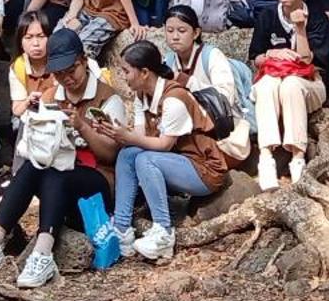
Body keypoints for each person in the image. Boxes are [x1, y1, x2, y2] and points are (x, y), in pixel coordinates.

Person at [0, 27, 122, 288]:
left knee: (55, 172)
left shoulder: (107, 97)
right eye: (59, 74)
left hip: (96, 182)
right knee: (34, 168)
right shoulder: (51, 96)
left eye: (72, 70)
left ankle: (43, 250)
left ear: (83, 61)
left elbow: (110, 153)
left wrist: (81, 126)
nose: (67, 79)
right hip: (56, 176)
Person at [94, 40, 230, 263]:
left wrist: (126, 137)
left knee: (146, 160)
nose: (123, 76)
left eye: (126, 71)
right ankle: (121, 229)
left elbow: (164, 145)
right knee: (128, 154)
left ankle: (164, 232)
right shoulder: (141, 96)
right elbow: (138, 139)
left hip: (203, 169)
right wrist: (115, 132)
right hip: (174, 162)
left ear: (144, 72)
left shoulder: (174, 99)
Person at [248, 0, 329, 190]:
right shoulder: (266, 16)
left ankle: (298, 157)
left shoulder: (317, 15)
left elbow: (309, 60)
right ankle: (266, 157)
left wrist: (301, 29)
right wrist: (271, 53)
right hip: (274, 80)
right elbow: (256, 57)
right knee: (267, 85)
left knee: (291, 85)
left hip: (309, 82)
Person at [160, 5, 252, 164]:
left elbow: (225, 96)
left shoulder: (212, 55)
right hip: (186, 128)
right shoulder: (168, 60)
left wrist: (187, 81)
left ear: (196, 33)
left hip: (223, 128)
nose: (175, 36)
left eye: (182, 31)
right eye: (170, 31)